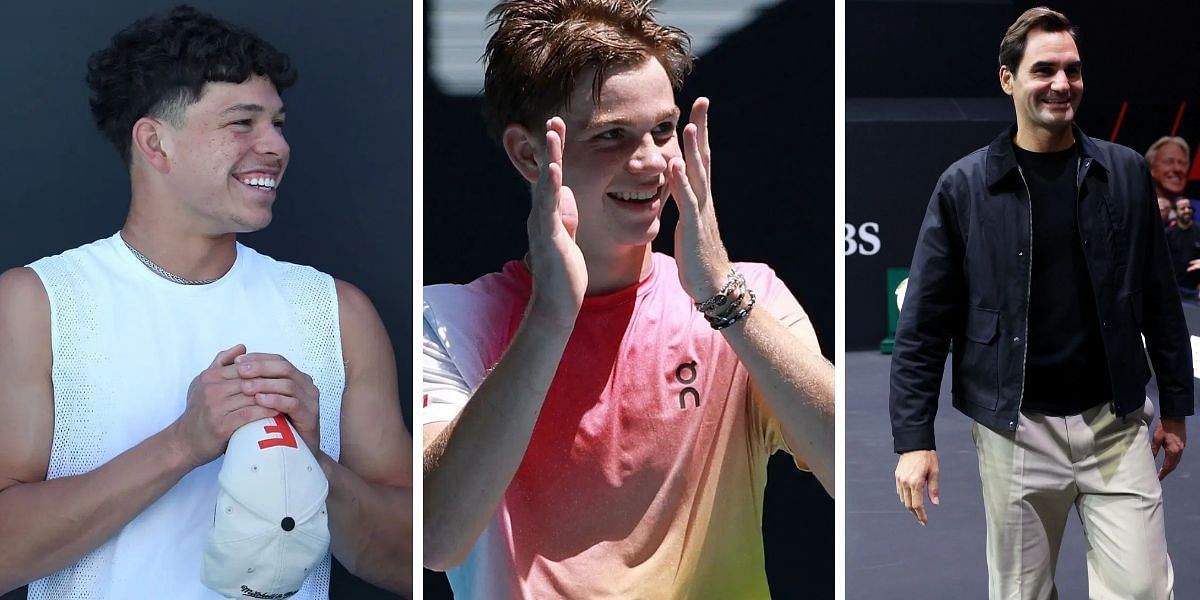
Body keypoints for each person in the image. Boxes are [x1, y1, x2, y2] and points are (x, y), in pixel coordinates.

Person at [421, 1, 834, 597]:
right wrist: (551, 317)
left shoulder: (749, 299)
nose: (650, 163)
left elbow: (847, 468)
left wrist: (721, 295)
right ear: (529, 156)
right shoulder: (448, 319)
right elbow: (437, 538)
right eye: (611, 136)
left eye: (662, 130)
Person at [0, 6, 411, 598]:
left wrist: (309, 466)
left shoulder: (339, 313)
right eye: (243, 123)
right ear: (155, 143)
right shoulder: (37, 304)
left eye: (277, 122)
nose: (276, 145)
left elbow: (412, 564)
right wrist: (183, 443)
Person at [890, 7, 1192, 599]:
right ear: (1008, 79)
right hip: (1015, 431)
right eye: (1044, 69)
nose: (1061, 84)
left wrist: (1176, 407)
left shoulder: (1126, 172)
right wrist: (913, 440)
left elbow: (1158, 297)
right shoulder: (965, 187)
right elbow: (923, 326)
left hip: (1117, 423)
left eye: (1072, 70)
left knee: (1142, 591)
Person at [1165, 197, 1200, 297]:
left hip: (1196, 289)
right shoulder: (1168, 233)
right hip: (1174, 288)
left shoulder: (1199, 230)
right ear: (1175, 212)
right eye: (1182, 208)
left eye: (1189, 207)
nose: (1187, 211)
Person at [1147, 136, 1192, 212]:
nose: (1177, 169)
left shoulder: (1197, 210)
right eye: (1169, 162)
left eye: (1182, 163)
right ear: (1151, 168)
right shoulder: (1136, 209)